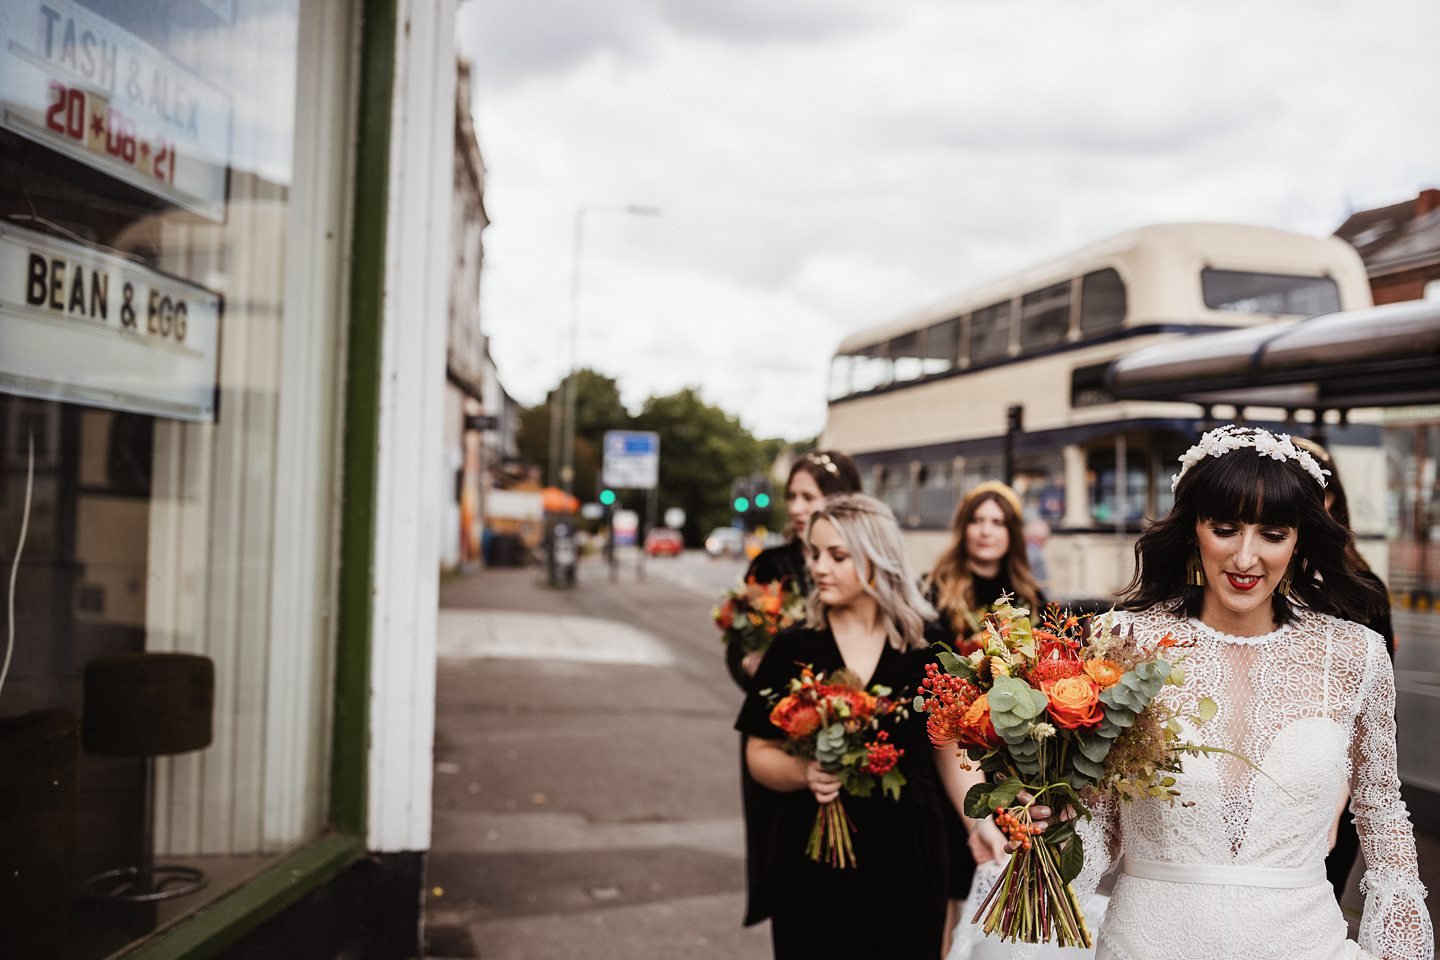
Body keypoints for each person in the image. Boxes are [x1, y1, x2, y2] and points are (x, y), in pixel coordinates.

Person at [1058, 424, 1432, 959]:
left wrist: (1403, 945)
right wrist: (1050, 844)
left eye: (1272, 535)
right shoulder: (1123, 643)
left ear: (1300, 539)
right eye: (1226, 529)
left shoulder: (1355, 654)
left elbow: (1382, 814)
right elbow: (1098, 819)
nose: (1245, 558)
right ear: (1193, 531)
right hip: (1148, 942)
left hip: (1304, 944)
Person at [737, 494, 974, 958]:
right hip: (810, 857)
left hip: (910, 852)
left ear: (877, 557)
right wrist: (804, 773)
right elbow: (758, 754)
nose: (819, 568)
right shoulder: (792, 648)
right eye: (815, 554)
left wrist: (981, 823)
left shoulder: (930, 645)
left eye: (837, 556)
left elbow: (950, 750)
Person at [725, 449, 862, 931]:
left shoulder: (859, 567)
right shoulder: (771, 564)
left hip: (844, 721)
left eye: (811, 495)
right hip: (778, 728)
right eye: (793, 496)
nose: (799, 506)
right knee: (782, 837)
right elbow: (738, 641)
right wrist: (753, 665)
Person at [925, 481, 1048, 937]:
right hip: (947, 754)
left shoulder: (1026, 597)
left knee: (993, 883)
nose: (985, 531)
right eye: (977, 520)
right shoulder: (934, 593)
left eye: (997, 522)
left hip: (1002, 762)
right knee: (946, 886)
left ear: (1012, 533)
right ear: (963, 528)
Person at [1291, 437, 1397, 904]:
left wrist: (1344, 796)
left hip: (1332, 780)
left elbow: (1374, 708)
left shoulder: (1360, 588)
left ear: (1332, 500)